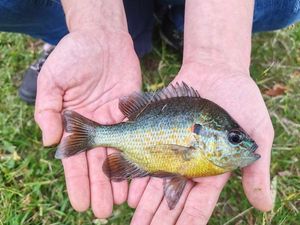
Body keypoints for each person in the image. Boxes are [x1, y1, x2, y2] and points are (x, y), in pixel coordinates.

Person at [1, 0, 299, 224]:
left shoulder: (202, 153)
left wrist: (218, 52)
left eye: (236, 138)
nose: (242, 144)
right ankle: (81, 30)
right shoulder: (199, 152)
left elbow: (177, 170)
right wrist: (96, 24)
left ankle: (177, 24)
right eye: (234, 138)